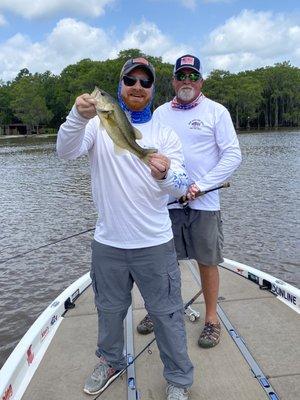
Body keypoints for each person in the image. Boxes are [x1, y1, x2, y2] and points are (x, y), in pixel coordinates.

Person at [57, 57, 193, 400]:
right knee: (109, 311)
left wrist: (163, 174)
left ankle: (178, 379)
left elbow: (181, 184)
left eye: (144, 82)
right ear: (119, 87)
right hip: (108, 244)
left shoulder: (164, 133)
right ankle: (110, 361)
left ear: (152, 90)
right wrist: (77, 116)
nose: (136, 86)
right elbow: (64, 151)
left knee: (167, 315)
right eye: (129, 80)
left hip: (155, 244)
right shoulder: (95, 125)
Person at [137, 54, 242, 349]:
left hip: (204, 203)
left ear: (201, 81)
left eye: (192, 76)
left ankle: (211, 319)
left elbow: (233, 155)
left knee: (207, 261)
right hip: (167, 202)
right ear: (172, 81)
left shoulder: (216, 112)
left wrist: (200, 185)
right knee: (162, 262)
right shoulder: (158, 113)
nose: (186, 81)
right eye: (180, 76)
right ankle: (158, 312)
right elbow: (148, 153)